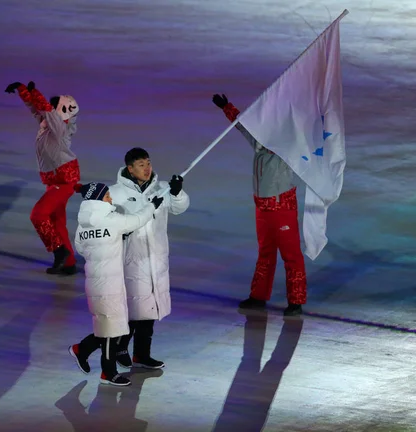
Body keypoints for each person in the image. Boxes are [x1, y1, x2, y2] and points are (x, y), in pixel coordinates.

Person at [212, 93, 306, 316]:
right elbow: (242, 125)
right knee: (265, 253)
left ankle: (296, 300)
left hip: (282, 208)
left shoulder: (289, 147)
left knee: (291, 255)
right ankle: (258, 296)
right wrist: (227, 107)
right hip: (263, 208)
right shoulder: (260, 143)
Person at [68, 182, 163, 386]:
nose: (111, 199)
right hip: (109, 283)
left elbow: (82, 249)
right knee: (112, 329)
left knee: (110, 325)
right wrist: (152, 206)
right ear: (99, 199)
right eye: (107, 195)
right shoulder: (111, 220)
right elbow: (137, 220)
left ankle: (81, 349)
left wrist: (114, 240)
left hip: (94, 282)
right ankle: (108, 373)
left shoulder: (83, 225)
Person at [108, 147, 190, 369]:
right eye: (141, 164)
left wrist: (176, 192)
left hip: (156, 259)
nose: (147, 168)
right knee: (134, 310)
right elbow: (106, 221)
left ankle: (141, 354)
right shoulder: (116, 193)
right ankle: (119, 347)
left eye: (148, 163)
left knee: (150, 310)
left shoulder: (161, 189)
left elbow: (179, 208)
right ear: (130, 168)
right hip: (131, 259)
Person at [5, 80, 80, 274]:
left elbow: (45, 109)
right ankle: (68, 262)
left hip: (63, 180)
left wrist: (35, 92)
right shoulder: (50, 124)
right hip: (55, 179)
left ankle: (59, 251)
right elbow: (37, 110)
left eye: (55, 107)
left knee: (38, 215)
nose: (52, 110)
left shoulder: (59, 127)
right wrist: (23, 92)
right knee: (57, 221)